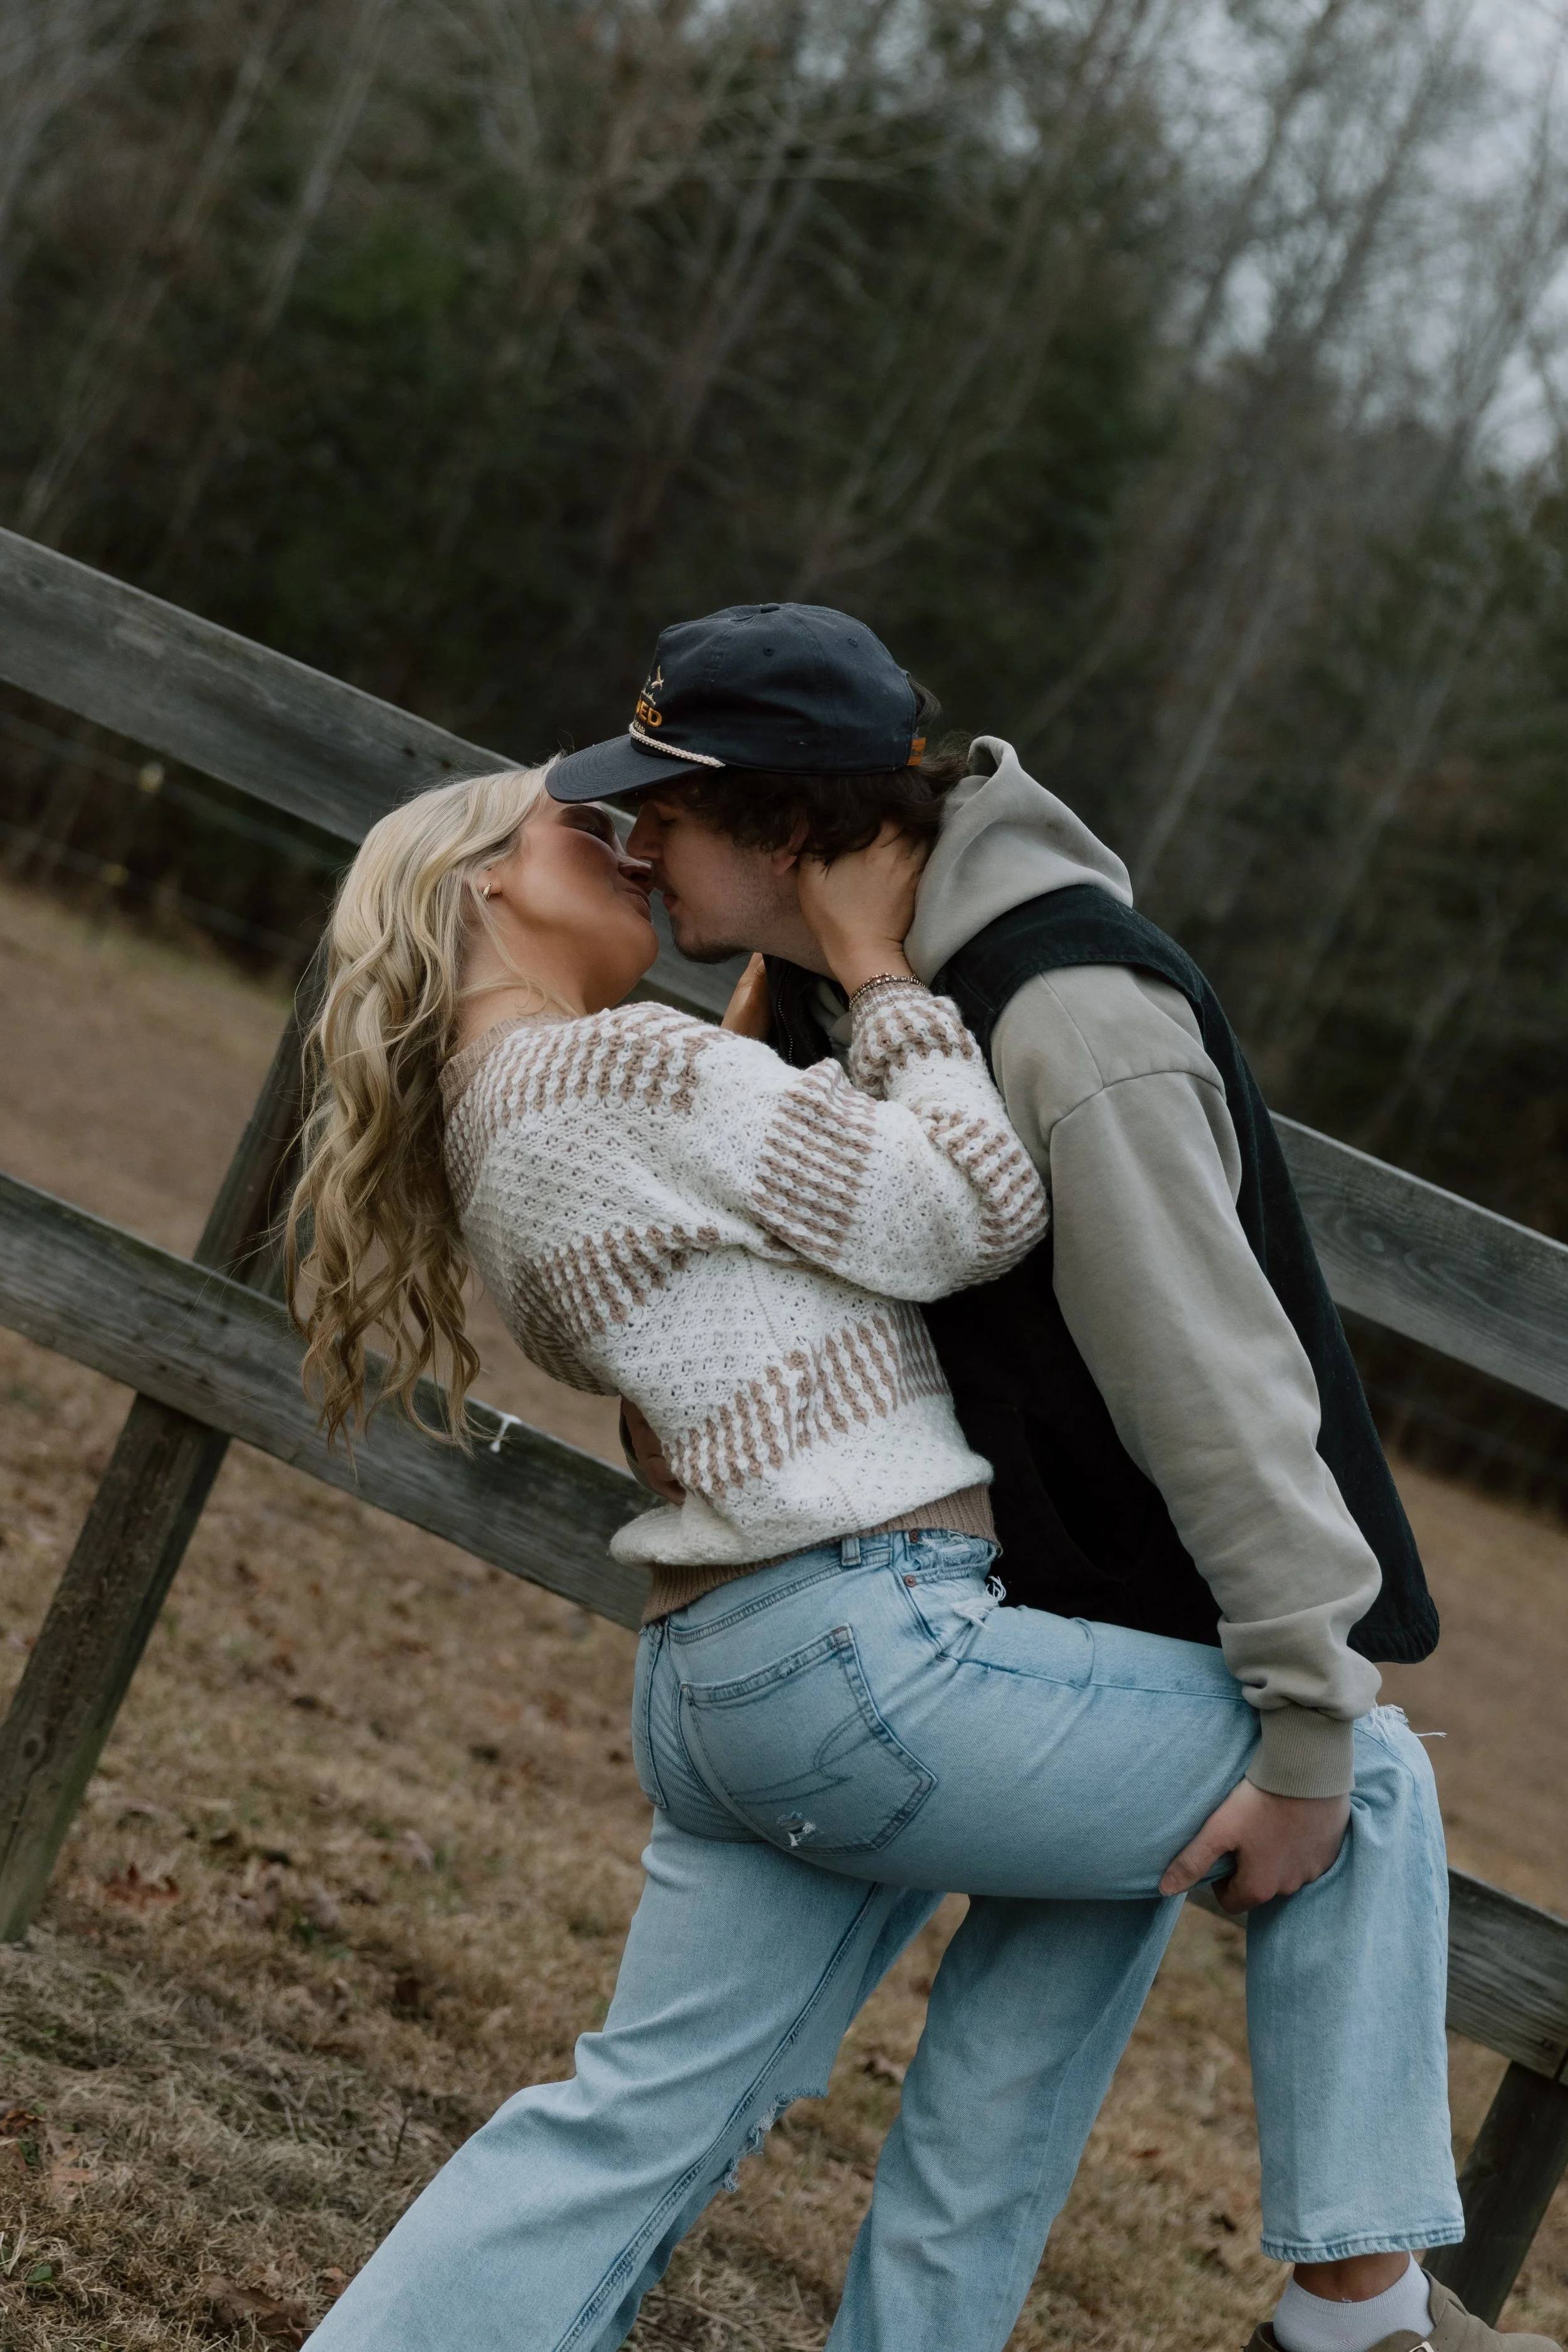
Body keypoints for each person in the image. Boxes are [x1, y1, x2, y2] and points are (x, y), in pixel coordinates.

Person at [283, 613, 1527, 2352]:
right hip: (864, 1653)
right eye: (585, 825)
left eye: (652, 810)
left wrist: (792, 1000)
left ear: (782, 824)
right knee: (1359, 1763)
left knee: (637, 2118)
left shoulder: (528, 1098)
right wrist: (877, 979)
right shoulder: (614, 1061)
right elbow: (966, 1205)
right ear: (483, 893)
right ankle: (1362, 2322)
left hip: (749, 1666)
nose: (629, 838)